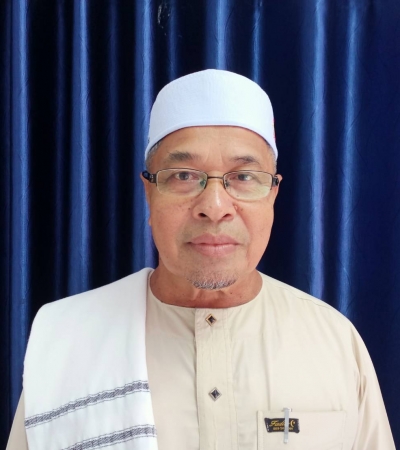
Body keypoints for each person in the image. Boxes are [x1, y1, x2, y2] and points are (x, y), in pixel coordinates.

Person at [7, 69, 395, 450]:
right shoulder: (67, 341)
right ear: (149, 192)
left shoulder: (335, 343)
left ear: (273, 194)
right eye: (183, 176)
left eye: (244, 177)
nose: (215, 206)